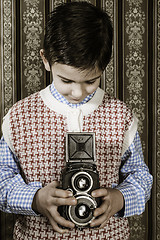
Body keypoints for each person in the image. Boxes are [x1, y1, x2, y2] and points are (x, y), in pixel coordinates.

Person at [0, 2, 153, 240]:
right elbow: (2, 180)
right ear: (46, 60)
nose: (78, 93)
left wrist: (120, 198)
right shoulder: (18, 117)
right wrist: (35, 199)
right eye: (67, 81)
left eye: (91, 81)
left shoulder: (121, 116)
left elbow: (140, 176)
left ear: (104, 66)